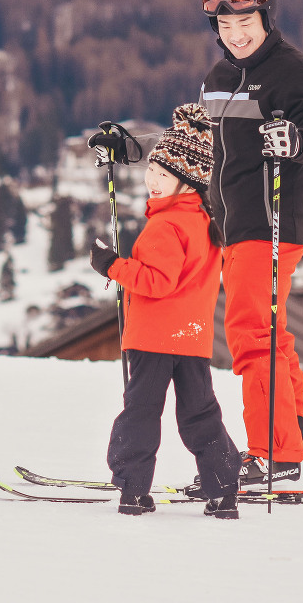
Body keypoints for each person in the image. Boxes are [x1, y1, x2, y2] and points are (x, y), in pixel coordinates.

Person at [198, 0, 303, 488]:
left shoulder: (292, 71)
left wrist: (296, 141)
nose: (234, 35)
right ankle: (290, 445)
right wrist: (132, 147)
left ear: (265, 16)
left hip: (272, 222)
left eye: (244, 24)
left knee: (251, 333)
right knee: (270, 335)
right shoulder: (218, 79)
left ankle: (271, 453)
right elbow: (200, 147)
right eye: (225, 26)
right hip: (232, 226)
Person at [89, 103, 242, 519]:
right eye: (151, 172)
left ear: (188, 181)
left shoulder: (165, 226)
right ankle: (224, 490)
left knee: (141, 411)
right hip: (191, 338)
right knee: (200, 413)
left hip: (153, 337)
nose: (151, 182)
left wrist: (111, 266)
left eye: (162, 175)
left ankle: (133, 490)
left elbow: (157, 282)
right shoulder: (207, 225)